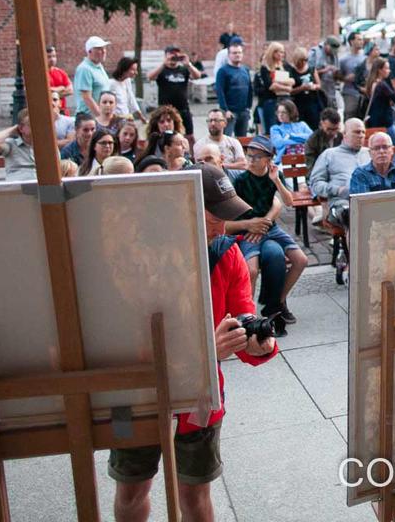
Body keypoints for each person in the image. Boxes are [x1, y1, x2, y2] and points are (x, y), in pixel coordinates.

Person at [109, 161, 277, 522]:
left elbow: (242, 315)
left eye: (225, 215)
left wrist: (256, 343)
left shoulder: (227, 253)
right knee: (130, 489)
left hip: (200, 400)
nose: (222, 224)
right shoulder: (132, 255)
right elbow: (121, 340)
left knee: (195, 494)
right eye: (213, 215)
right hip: (134, 396)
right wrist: (203, 352)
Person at [231, 136, 306, 323]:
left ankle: (278, 302)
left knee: (301, 260)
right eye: (249, 156)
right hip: (249, 232)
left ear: (268, 159)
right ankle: (248, 314)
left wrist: (277, 181)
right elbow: (234, 212)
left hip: (270, 229)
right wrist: (252, 226)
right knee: (251, 270)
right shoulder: (241, 180)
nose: (251, 160)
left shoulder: (274, 175)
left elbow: (289, 202)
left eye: (256, 157)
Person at [307, 118, 370, 207]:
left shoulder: (370, 153)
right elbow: (315, 184)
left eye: (363, 132)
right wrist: (338, 190)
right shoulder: (329, 155)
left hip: (371, 201)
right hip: (343, 203)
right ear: (344, 134)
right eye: (357, 132)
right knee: (348, 211)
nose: (361, 136)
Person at [148, 45, 201, 136]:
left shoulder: (184, 69)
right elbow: (150, 76)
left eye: (176, 54)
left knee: (189, 136)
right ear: (166, 56)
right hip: (165, 110)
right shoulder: (162, 70)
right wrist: (164, 64)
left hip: (183, 108)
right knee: (166, 134)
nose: (174, 56)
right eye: (171, 54)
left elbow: (197, 76)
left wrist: (188, 64)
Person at [348, 131, 395, 198]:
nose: (381, 151)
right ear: (370, 153)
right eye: (376, 148)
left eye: (385, 147)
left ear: (392, 150)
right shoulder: (360, 174)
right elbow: (361, 205)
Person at [254, 42, 293, 135]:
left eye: (283, 52)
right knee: (272, 128)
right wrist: (285, 85)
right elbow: (271, 86)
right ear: (273, 53)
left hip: (285, 99)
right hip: (271, 101)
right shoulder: (265, 67)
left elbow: (292, 81)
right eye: (279, 52)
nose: (281, 55)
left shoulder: (286, 65)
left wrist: (279, 83)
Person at [0, 110, 38, 182]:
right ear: (21, 128)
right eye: (31, 124)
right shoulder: (12, 145)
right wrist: (13, 129)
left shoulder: (45, 146)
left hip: (39, 186)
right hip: (16, 187)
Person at [215, 43, 253, 138]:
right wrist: (225, 110)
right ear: (229, 55)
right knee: (226, 139)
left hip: (244, 111)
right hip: (230, 112)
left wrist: (249, 107)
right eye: (234, 53)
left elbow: (250, 90)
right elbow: (220, 92)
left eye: (239, 52)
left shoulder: (245, 70)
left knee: (242, 140)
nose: (237, 55)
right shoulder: (223, 71)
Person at [286, 47, 324, 132]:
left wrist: (313, 87)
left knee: (314, 126)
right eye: (301, 60)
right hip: (298, 103)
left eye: (305, 60)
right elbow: (290, 91)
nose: (303, 63)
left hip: (312, 102)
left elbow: (319, 85)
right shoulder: (291, 71)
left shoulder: (311, 69)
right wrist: (302, 88)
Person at [73, 36, 112, 116]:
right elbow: (87, 97)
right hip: (88, 117)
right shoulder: (84, 69)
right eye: (99, 49)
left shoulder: (99, 66)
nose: (103, 51)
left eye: (104, 48)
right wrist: (101, 117)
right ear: (89, 51)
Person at [362, 57, 395, 134]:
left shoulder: (372, 83)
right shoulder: (382, 85)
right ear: (380, 70)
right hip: (385, 122)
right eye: (387, 68)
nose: (389, 71)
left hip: (373, 120)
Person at [337, 33, 367, 121]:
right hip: (350, 93)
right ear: (351, 41)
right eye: (359, 39)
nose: (361, 42)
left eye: (362, 39)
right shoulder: (343, 60)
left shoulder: (366, 58)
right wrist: (346, 78)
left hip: (364, 93)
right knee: (350, 116)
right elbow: (338, 76)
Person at [108, 57, 146, 123]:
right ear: (124, 70)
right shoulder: (111, 84)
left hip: (126, 118)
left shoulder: (127, 81)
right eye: (133, 70)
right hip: (115, 121)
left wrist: (141, 116)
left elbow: (131, 98)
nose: (136, 73)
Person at [310, 36, 342, 112]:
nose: (332, 52)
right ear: (326, 45)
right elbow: (309, 71)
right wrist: (325, 70)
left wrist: (336, 72)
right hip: (318, 91)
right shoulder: (315, 52)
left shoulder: (334, 54)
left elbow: (337, 71)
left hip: (331, 91)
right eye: (331, 49)